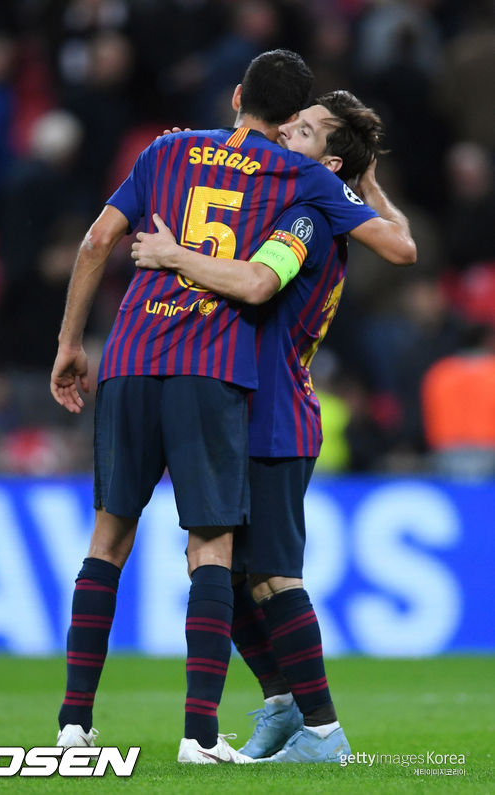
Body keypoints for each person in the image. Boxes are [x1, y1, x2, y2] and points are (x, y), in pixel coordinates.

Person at [51, 47, 412, 763]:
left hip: (242, 391)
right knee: (218, 557)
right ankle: (266, 711)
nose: (296, 137)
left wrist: (171, 258)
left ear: (239, 93)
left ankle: (317, 728)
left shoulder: (187, 157)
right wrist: (360, 184)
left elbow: (253, 281)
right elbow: (397, 242)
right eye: (300, 123)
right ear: (281, 116)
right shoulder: (299, 179)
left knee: (245, 566)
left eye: (311, 133)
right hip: (220, 379)